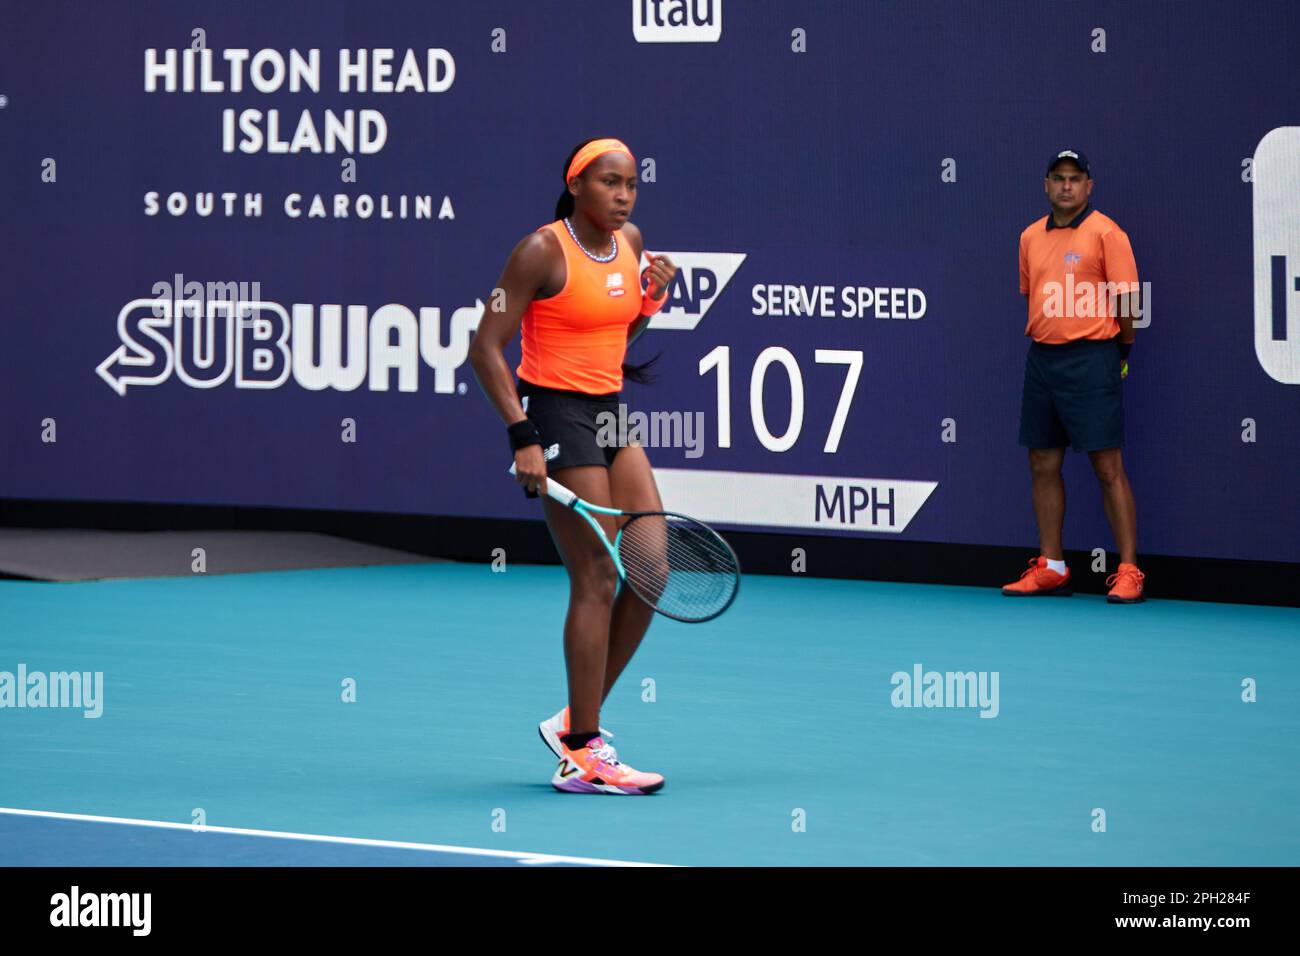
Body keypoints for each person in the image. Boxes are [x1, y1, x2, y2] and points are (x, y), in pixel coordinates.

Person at [468, 138, 677, 794]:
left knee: (649, 569)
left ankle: (574, 721)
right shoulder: (540, 252)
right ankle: (582, 752)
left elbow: (615, 337)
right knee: (595, 575)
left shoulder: (631, 243)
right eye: (610, 184)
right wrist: (521, 433)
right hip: (556, 415)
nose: (623, 197)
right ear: (577, 186)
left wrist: (647, 304)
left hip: (610, 414)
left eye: (632, 185)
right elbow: (484, 347)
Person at [1002, 149, 1146, 603]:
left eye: (1075, 179)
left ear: (1089, 186)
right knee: (1043, 463)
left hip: (1094, 358)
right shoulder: (1028, 237)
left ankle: (1129, 571)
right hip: (1043, 361)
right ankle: (1052, 566)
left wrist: (1121, 349)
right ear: (1046, 184)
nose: (1067, 186)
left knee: (1108, 467)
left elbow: (1128, 303)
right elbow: (1032, 293)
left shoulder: (1108, 234)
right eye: (1058, 178)